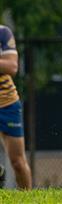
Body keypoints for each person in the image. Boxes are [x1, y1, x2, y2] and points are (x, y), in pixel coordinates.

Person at [0, 24, 32, 189]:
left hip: (7, 103)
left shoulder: (3, 32)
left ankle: (28, 198)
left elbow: (12, 66)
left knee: (18, 162)